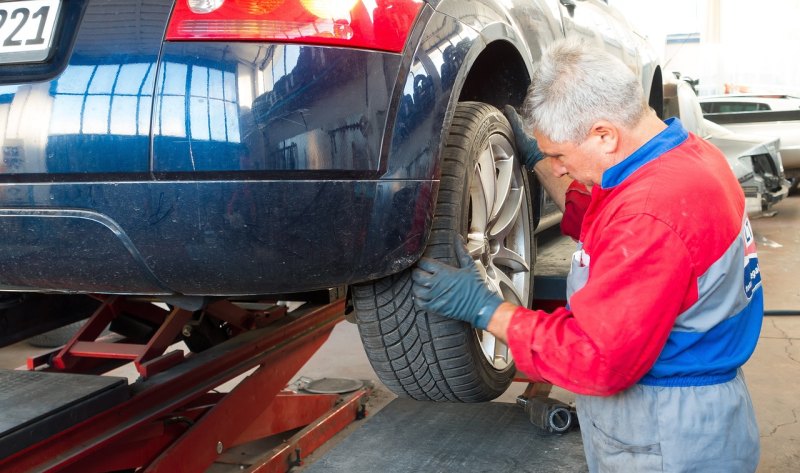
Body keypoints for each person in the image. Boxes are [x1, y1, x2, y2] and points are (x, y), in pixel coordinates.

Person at [411, 39, 762, 472]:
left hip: (669, 434)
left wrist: (486, 309)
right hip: (689, 411)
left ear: (603, 134)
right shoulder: (688, 154)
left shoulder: (651, 214)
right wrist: (539, 156)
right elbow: (603, 219)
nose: (557, 168)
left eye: (559, 155)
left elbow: (596, 359)